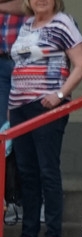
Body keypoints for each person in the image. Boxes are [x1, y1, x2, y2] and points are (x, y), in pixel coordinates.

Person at [3, 0, 82, 237]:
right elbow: (19, 66)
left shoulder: (63, 23)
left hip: (46, 107)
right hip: (19, 109)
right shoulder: (27, 24)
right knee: (27, 174)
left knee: (48, 172)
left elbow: (81, 64)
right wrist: (12, 106)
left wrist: (60, 94)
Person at [0, 1, 25, 225]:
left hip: (25, 63)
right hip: (1, 63)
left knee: (24, 132)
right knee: (3, 135)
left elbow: (28, 6)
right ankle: (7, 199)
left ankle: (23, 199)